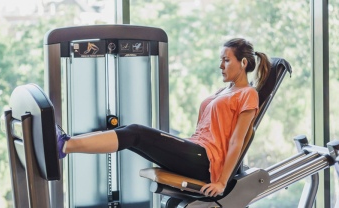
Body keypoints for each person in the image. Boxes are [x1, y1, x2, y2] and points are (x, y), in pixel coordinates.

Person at [56, 38, 271, 197]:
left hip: (204, 161)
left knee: (135, 132)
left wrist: (222, 182)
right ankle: (66, 143)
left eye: (226, 60)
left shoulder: (248, 94)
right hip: (195, 149)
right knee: (130, 133)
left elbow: (237, 141)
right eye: (220, 60)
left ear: (243, 63)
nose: (220, 66)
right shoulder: (223, 91)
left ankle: (65, 145)